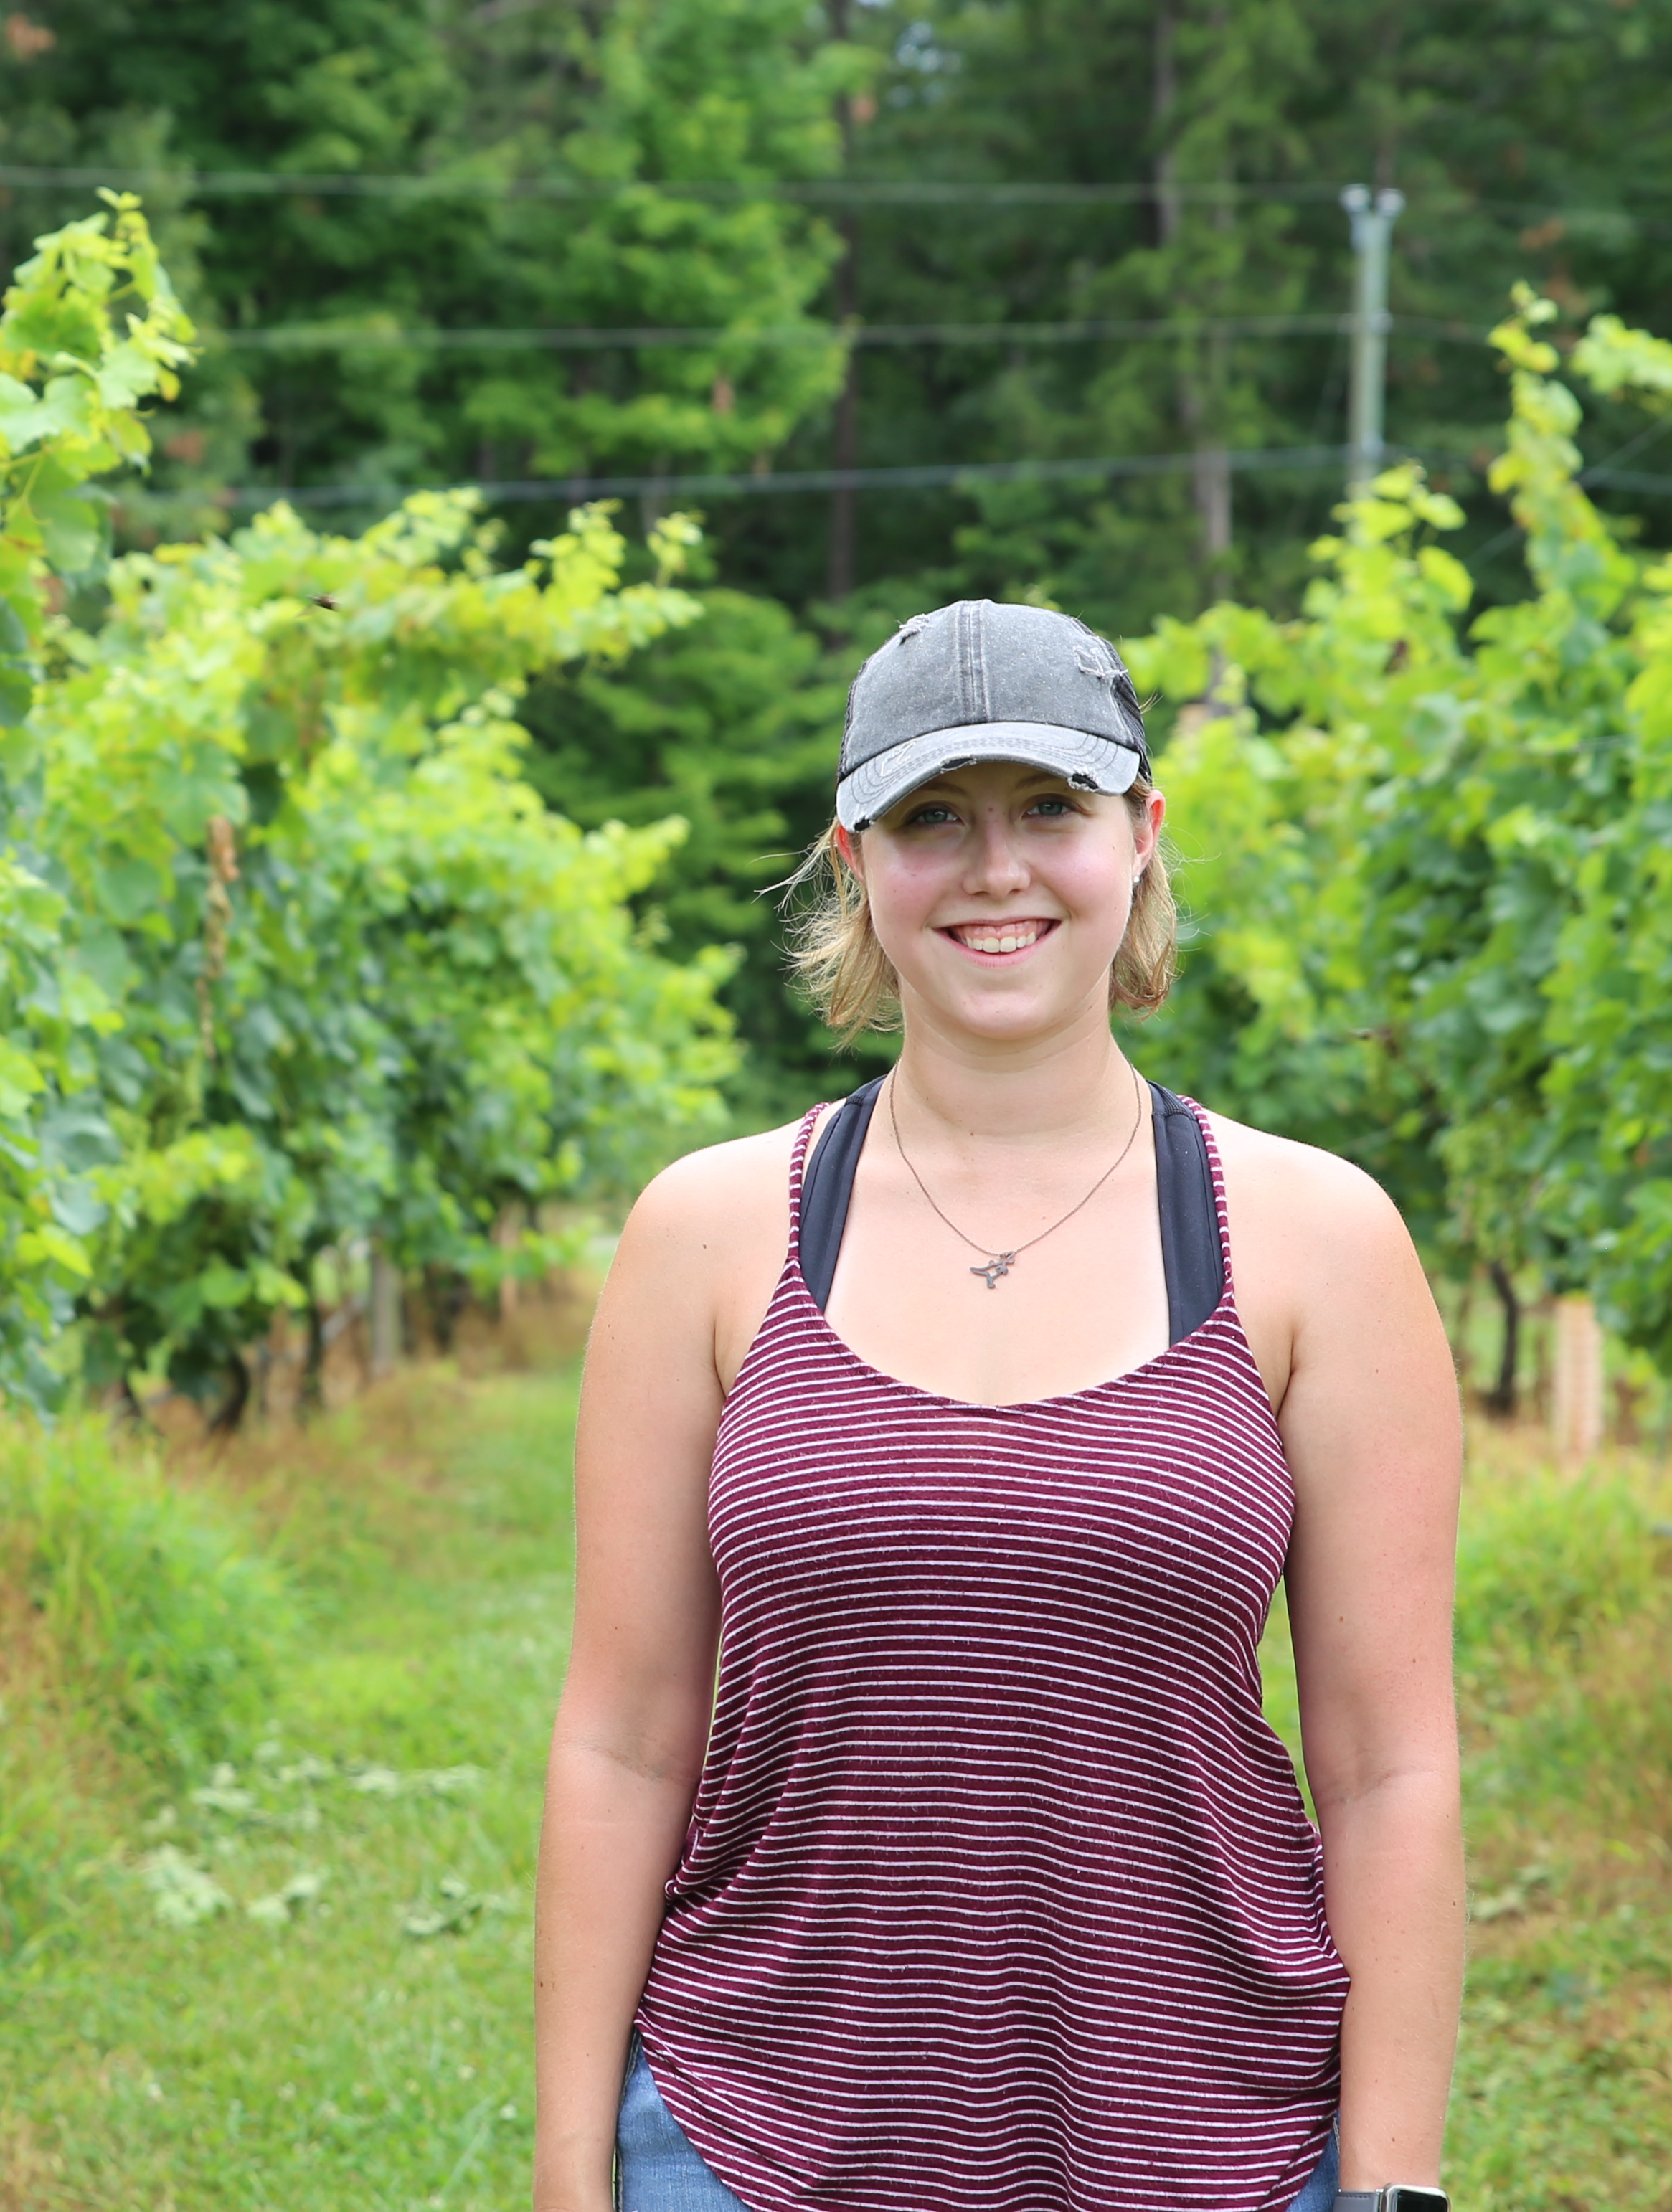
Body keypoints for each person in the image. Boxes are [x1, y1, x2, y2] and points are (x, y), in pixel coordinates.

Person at [532, 599, 1465, 2212]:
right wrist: (569, 2177)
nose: (995, 867)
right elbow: (621, 1744)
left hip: (1207, 2139)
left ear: (1142, 837)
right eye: (931, 819)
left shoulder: (1318, 1241)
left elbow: (1389, 1768)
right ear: (853, 860)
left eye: (1050, 807)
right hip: (754, 2138)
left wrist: (1389, 2189)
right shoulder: (708, 1234)